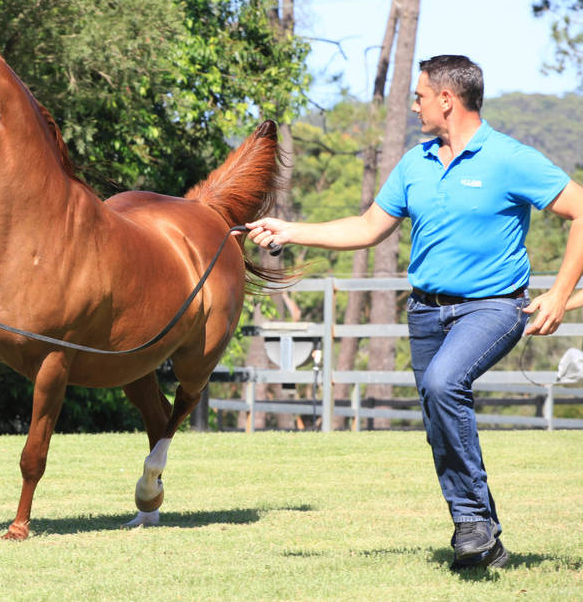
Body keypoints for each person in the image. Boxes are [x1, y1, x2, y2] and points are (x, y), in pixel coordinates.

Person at [247, 55, 583, 570]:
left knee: (444, 384)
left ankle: (471, 522)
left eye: (420, 95)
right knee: (437, 416)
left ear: (447, 99)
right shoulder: (415, 163)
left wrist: (560, 294)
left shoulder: (510, 158)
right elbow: (365, 227)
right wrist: (292, 231)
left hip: (493, 307)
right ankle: (484, 540)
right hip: (426, 314)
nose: (414, 104)